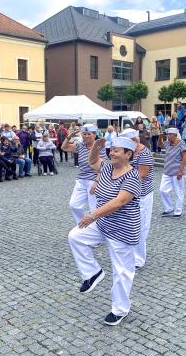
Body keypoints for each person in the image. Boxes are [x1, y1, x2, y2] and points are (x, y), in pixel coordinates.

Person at [68, 136, 141, 326]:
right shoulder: (108, 167)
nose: (112, 153)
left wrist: (92, 215)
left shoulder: (133, 176)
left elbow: (120, 202)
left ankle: (120, 309)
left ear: (128, 154)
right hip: (104, 223)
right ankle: (92, 273)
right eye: (111, 149)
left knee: (122, 271)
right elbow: (93, 161)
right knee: (75, 236)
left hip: (122, 229)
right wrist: (97, 147)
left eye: (116, 150)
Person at [120, 129, 154, 269]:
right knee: (129, 224)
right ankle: (130, 254)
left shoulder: (145, 154)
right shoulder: (131, 152)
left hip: (142, 194)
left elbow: (141, 176)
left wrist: (121, 183)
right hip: (131, 194)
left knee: (140, 226)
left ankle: (139, 258)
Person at [62, 124, 106, 223]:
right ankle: (83, 223)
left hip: (94, 180)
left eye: (88, 134)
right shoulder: (80, 146)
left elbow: (103, 166)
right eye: (84, 134)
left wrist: (97, 182)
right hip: (81, 180)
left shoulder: (99, 147)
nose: (86, 136)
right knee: (73, 205)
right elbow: (64, 147)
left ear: (94, 135)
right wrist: (69, 136)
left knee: (94, 208)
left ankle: (97, 229)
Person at [160, 128, 186, 217]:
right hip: (167, 171)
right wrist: (160, 137)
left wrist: (180, 171)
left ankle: (178, 211)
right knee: (163, 190)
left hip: (177, 171)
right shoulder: (167, 143)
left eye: (169, 135)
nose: (168, 136)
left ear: (175, 135)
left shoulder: (181, 143)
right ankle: (169, 208)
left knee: (179, 192)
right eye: (167, 134)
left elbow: (184, 157)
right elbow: (159, 145)